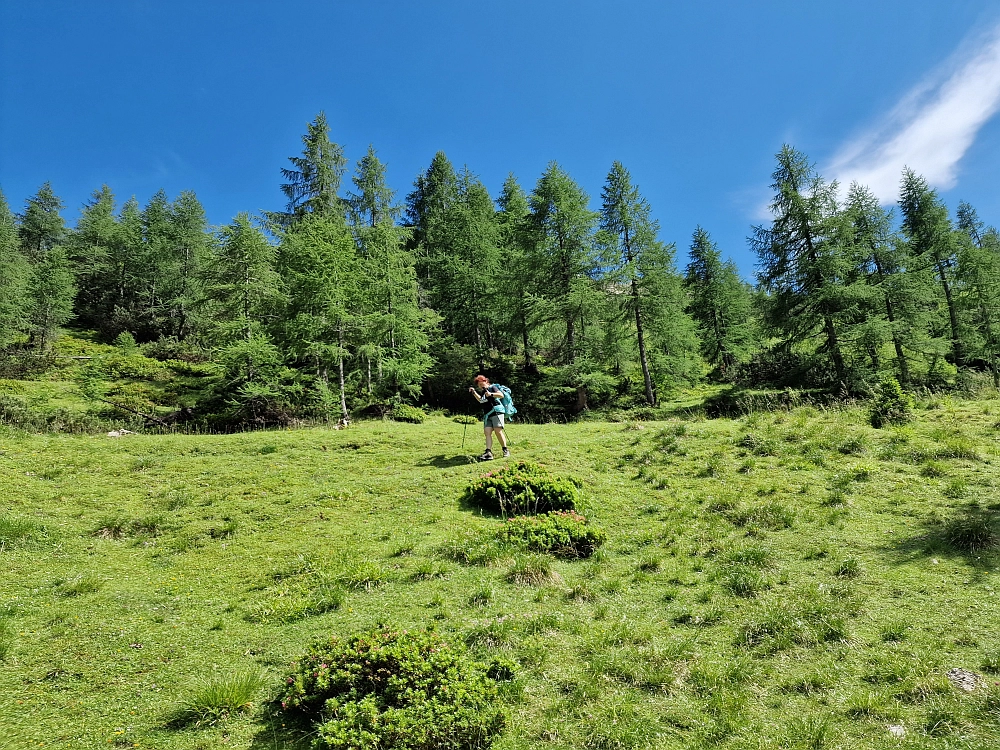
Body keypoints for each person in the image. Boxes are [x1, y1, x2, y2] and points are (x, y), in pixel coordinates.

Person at [469, 374, 510, 461]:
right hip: (488, 414)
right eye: (479, 385)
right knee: (487, 432)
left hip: (497, 411)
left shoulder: (493, 387)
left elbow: (501, 395)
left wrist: (491, 394)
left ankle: (505, 450)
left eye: (481, 384)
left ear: (486, 381)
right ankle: (488, 452)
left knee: (498, 431)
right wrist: (474, 392)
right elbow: (481, 400)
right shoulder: (483, 392)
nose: (480, 386)